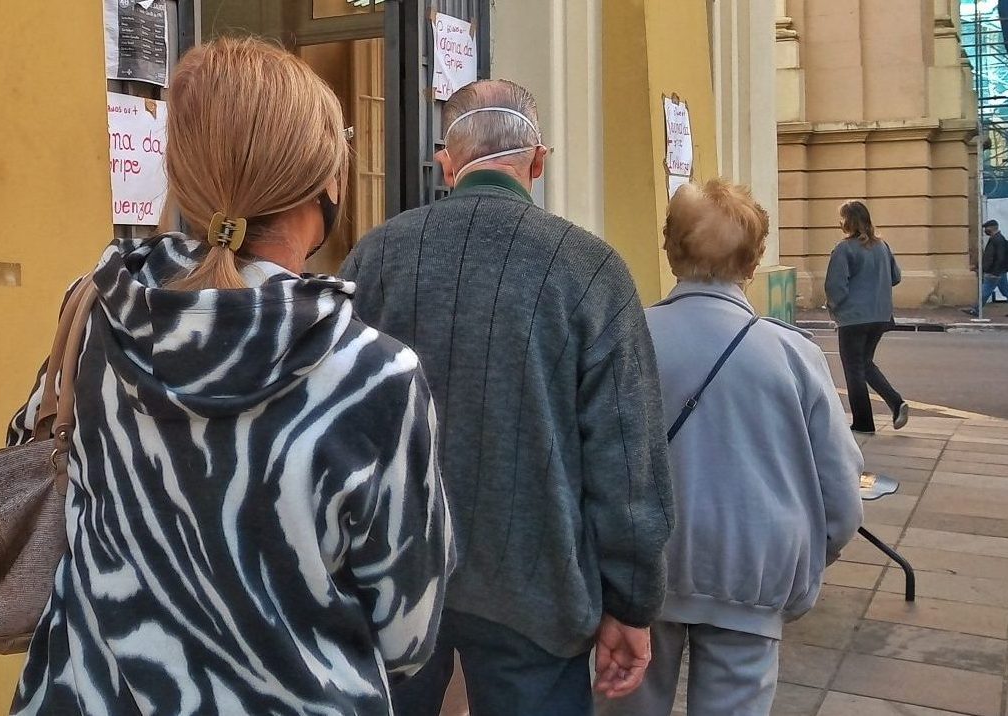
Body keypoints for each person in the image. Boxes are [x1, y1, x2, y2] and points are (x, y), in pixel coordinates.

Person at [9, 38, 453, 716]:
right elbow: (407, 634)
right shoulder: (375, 376)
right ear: (325, 183)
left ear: (183, 177)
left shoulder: (96, 315)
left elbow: (33, 444)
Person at [340, 79, 674, 716]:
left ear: (447, 164)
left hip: (393, 578)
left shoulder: (376, 257)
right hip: (537, 588)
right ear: (538, 162)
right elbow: (629, 462)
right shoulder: (590, 270)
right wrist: (632, 601)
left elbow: (339, 422)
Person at [597, 180, 864, 716]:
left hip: (641, 572)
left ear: (670, 250)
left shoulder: (624, 341)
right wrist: (805, 559)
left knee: (627, 701)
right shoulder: (792, 355)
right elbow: (842, 498)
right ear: (754, 260)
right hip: (751, 571)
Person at [825, 200, 909, 435]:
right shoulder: (882, 246)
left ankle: (863, 422)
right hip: (880, 315)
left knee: (853, 369)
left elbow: (835, 286)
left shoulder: (844, 248)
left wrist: (834, 307)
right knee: (864, 364)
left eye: (842, 218)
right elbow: (896, 277)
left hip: (853, 318)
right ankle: (896, 403)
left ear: (848, 221)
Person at [963, 219, 1008, 317]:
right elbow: (988, 256)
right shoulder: (996, 239)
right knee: (1005, 291)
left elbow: (1000, 258)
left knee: (985, 291)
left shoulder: (998, 240)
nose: (985, 230)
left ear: (991, 228)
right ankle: (976, 309)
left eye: (986, 228)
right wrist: (978, 266)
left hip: (994, 272)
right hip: (999, 272)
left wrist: (994, 272)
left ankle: (976, 310)